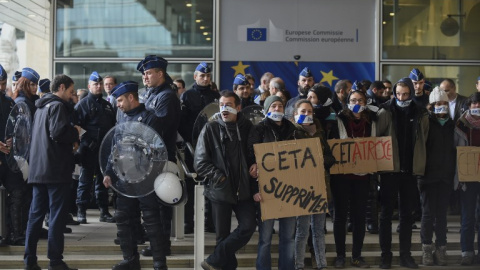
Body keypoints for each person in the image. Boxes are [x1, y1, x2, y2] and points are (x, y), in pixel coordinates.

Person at [102, 81, 170, 270]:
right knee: (124, 219)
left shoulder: (150, 118)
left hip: (145, 179)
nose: (118, 104)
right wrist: (108, 172)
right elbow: (115, 148)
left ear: (131, 97)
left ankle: (159, 262)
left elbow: (158, 150)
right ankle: (130, 259)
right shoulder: (122, 118)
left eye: (121, 100)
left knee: (151, 220)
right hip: (124, 179)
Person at [194, 90, 257, 270]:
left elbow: (257, 153)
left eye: (229, 105)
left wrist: (256, 165)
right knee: (222, 236)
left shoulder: (248, 128)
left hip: (244, 190)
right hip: (220, 190)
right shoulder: (210, 128)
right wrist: (219, 177)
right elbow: (200, 162)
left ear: (238, 107)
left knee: (248, 226)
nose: (224, 109)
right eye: (222, 105)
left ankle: (213, 260)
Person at [24, 74, 80, 270]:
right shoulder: (57, 106)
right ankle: (55, 261)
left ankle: (29, 261)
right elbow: (58, 133)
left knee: (35, 216)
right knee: (56, 217)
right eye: (71, 92)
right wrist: (75, 132)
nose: (72, 96)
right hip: (56, 170)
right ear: (62, 88)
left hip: (38, 171)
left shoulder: (40, 108)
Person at [330, 90, 390, 268]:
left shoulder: (371, 121)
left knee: (359, 217)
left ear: (365, 102)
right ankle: (340, 255)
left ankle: (357, 255)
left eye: (360, 100)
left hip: (363, 177)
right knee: (340, 216)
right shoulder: (338, 120)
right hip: (341, 176)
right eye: (353, 100)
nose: (356, 102)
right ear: (347, 102)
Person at [378, 77, 429, 269]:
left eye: (405, 94)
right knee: (385, 215)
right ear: (393, 94)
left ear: (411, 93)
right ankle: (386, 256)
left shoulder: (420, 112)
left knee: (407, 216)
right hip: (389, 171)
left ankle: (405, 255)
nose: (402, 97)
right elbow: (378, 137)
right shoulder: (385, 111)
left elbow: (423, 137)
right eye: (398, 93)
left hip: (409, 171)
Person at [137, 55, 180, 256]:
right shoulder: (152, 94)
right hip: (150, 155)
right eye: (144, 74)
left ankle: (162, 246)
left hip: (161, 155)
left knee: (162, 204)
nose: (145, 77)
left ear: (160, 74)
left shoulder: (166, 96)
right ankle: (158, 244)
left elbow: (159, 126)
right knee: (152, 203)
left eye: (148, 73)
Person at [254, 95, 297, 270]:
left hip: (290, 188)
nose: (277, 109)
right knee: (265, 237)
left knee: (288, 236)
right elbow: (252, 154)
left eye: (280, 106)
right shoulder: (259, 130)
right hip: (267, 190)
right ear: (267, 110)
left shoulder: (293, 130)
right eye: (273, 107)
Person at [292, 99, 335, 270]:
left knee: (318, 229)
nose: (306, 115)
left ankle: (322, 264)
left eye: (309, 111)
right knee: (302, 230)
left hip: (320, 185)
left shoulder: (320, 132)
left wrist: (321, 160)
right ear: (295, 115)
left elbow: (330, 158)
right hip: (301, 187)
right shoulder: (292, 132)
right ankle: (298, 264)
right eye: (302, 112)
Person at [178, 61, 219, 234]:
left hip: (212, 146)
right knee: (190, 184)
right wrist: (189, 142)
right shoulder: (187, 96)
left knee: (212, 183)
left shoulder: (216, 96)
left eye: (208, 75)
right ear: (195, 77)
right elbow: (182, 123)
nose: (205, 78)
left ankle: (210, 222)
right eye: (202, 75)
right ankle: (188, 222)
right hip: (192, 147)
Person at [419, 87, 456, 266]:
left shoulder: (452, 124)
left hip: (445, 177)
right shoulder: (425, 122)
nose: (441, 107)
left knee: (442, 215)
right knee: (427, 215)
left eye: (444, 103)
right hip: (428, 177)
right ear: (431, 105)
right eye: (437, 104)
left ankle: (441, 249)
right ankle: (426, 249)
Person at [74, 71, 116, 224]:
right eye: (95, 84)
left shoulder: (107, 105)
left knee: (103, 181)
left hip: (103, 149)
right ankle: (81, 211)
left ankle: (104, 211)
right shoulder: (83, 104)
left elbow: (112, 126)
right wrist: (84, 142)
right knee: (85, 182)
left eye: (100, 84)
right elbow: (76, 127)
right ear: (89, 86)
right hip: (88, 149)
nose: (98, 86)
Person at [0, 64, 26, 246]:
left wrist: (12, 139)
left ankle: (15, 233)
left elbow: (17, 126)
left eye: (3, 83)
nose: (1, 88)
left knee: (17, 192)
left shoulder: (9, 102)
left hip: (8, 157)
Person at [454, 92, 480, 266]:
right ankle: (467, 252)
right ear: (469, 106)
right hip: (467, 177)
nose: (477, 108)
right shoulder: (459, 125)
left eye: (479, 105)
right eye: (474, 105)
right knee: (468, 216)